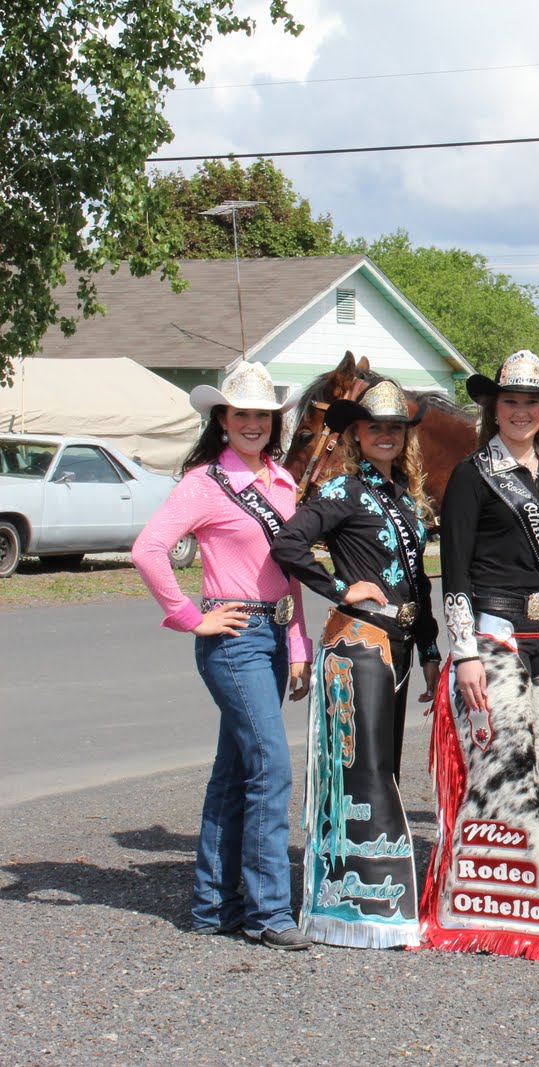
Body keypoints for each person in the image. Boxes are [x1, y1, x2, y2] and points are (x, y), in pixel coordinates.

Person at [130, 362, 312, 950]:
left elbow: (292, 571)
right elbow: (149, 549)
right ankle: (267, 913)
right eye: (242, 414)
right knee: (272, 766)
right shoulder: (204, 482)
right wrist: (190, 616)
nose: (253, 423)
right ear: (222, 420)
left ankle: (213, 905)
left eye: (263, 414)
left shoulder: (283, 482)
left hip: (277, 635)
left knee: (236, 771)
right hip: (231, 638)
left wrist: (301, 644)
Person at [422, 351, 539, 958]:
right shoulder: (472, 476)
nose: (521, 411)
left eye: (531, 402)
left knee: (536, 768)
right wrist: (462, 652)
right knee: (502, 768)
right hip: (492, 637)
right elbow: (454, 571)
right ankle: (528, 898)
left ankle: (504, 900)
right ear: (495, 408)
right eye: (510, 401)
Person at [270, 378, 440, 949]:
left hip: (401, 644)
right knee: (363, 773)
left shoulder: (407, 498)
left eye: (395, 427)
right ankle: (353, 903)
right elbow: (288, 544)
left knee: (385, 766)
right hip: (361, 642)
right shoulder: (343, 492)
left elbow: (420, 582)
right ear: (356, 434)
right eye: (375, 427)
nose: (386, 435)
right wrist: (341, 587)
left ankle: (375, 892)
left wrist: (434, 653)